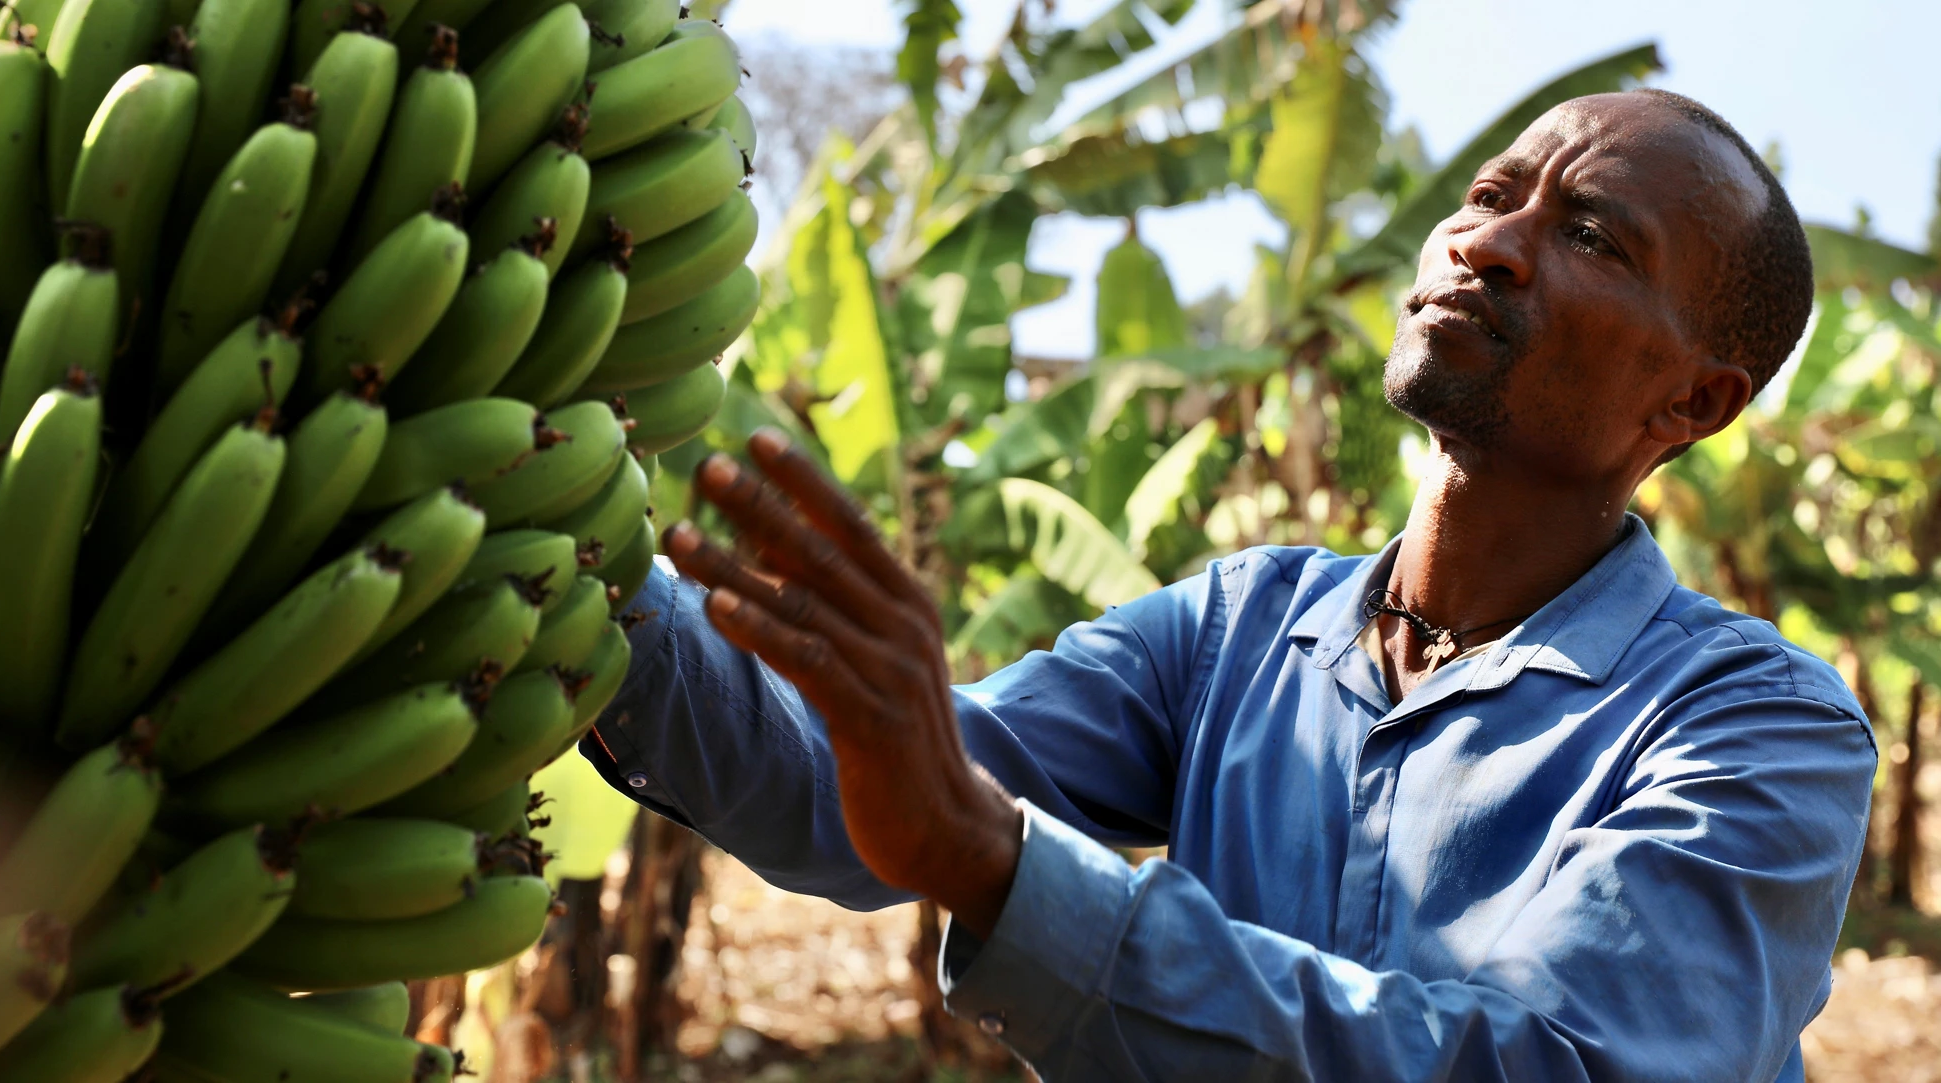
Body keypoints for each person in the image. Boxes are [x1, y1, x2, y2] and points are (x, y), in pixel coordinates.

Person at [577, 89, 1875, 1081]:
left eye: (1590, 235)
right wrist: (574, 542)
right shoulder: (1236, 629)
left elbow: (1548, 1060)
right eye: (1491, 193)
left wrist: (992, 860)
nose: (1493, 243)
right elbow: (849, 790)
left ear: (1696, 398)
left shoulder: (1754, 728)